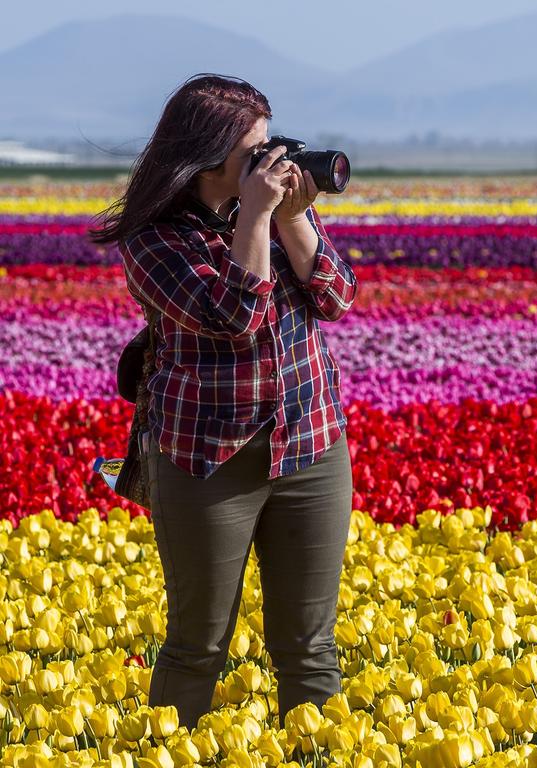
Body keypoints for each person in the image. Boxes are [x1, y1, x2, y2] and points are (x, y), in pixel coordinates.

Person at [88, 73, 358, 731]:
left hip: (309, 441)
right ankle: (171, 747)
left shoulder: (272, 206)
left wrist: (291, 218)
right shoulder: (154, 238)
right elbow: (235, 315)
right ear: (206, 156)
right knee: (197, 646)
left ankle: (315, 750)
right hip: (207, 458)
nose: (272, 163)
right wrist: (259, 217)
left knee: (310, 649)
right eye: (253, 151)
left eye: (272, 145)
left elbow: (336, 297)